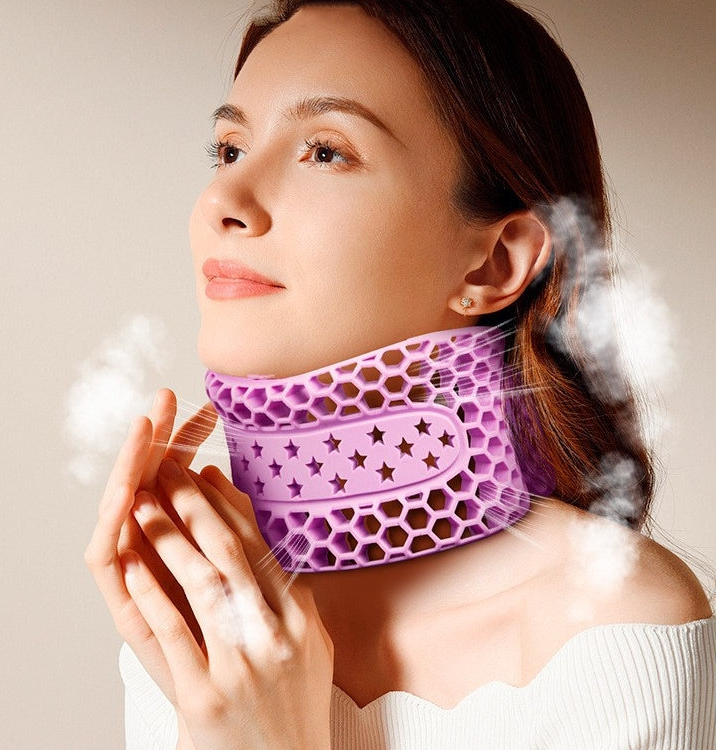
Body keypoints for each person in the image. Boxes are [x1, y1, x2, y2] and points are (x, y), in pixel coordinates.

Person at [84, 1, 716, 748]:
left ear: (494, 263)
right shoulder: (201, 609)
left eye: (325, 152)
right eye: (228, 149)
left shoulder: (616, 626)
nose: (224, 200)